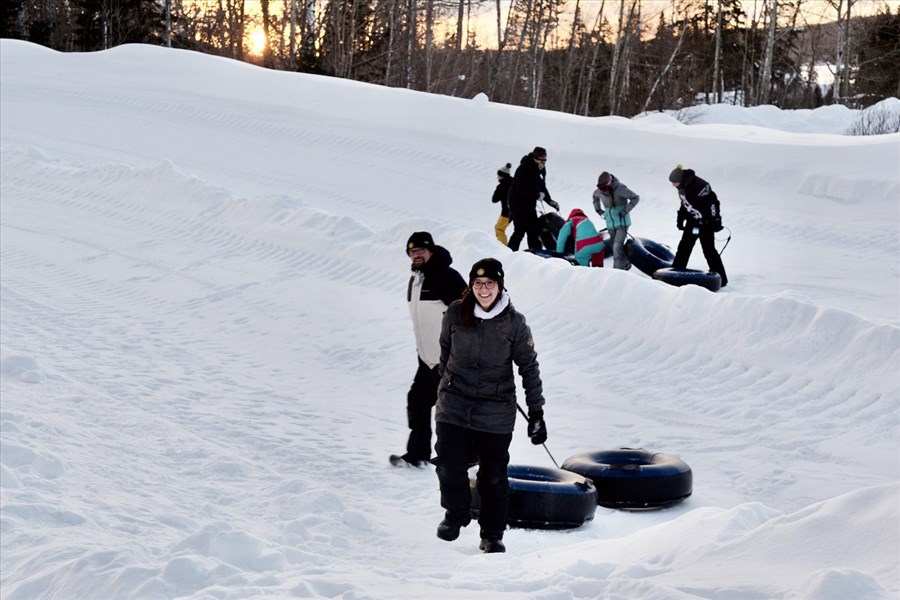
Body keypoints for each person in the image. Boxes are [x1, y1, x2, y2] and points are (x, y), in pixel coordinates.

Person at [433, 258, 547, 553]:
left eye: (490, 283)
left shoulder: (514, 323)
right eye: (478, 283)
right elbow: (444, 353)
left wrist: (537, 413)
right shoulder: (456, 314)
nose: (484, 289)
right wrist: (446, 386)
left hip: (495, 409)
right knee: (448, 462)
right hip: (455, 402)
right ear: (472, 286)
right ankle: (456, 513)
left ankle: (492, 533)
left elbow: (529, 369)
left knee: (494, 475)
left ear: (500, 285)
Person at [390, 232, 467, 468]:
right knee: (417, 402)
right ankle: (418, 454)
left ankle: (462, 460)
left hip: (449, 358)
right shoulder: (416, 280)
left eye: (421, 250)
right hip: (426, 360)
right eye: (412, 252)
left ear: (431, 251)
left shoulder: (447, 277)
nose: (416, 255)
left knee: (453, 412)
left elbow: (469, 312)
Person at [668, 165, 729, 287]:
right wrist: (680, 220)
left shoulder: (700, 187)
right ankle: (674, 275)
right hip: (692, 224)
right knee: (684, 248)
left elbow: (713, 204)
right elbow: (684, 205)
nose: (673, 185)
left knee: (709, 251)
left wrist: (716, 221)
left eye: (675, 183)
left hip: (706, 225)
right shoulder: (682, 187)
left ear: (681, 180)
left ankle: (721, 279)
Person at [507, 146, 560, 251]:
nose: (543, 160)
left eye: (545, 158)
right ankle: (509, 254)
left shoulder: (540, 168)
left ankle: (536, 254)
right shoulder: (524, 167)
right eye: (541, 157)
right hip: (517, 203)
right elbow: (521, 188)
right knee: (520, 230)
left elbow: (542, 186)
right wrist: (537, 195)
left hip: (529, 203)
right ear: (535, 156)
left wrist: (550, 201)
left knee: (534, 230)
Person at [592, 171, 640, 270]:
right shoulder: (599, 191)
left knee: (617, 246)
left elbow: (635, 198)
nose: (602, 191)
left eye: (604, 188)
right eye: (600, 188)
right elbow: (595, 196)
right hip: (610, 224)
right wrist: (599, 211)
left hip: (622, 223)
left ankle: (617, 271)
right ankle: (626, 264)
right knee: (616, 246)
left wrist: (625, 211)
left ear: (609, 183)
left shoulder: (620, 189)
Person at [492, 163, 513, 245]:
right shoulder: (514, 181)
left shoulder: (501, 187)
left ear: (502, 176)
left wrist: (498, 190)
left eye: (499, 176)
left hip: (506, 213)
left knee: (499, 229)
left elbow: (494, 199)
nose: (497, 177)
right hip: (516, 211)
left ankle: (503, 247)